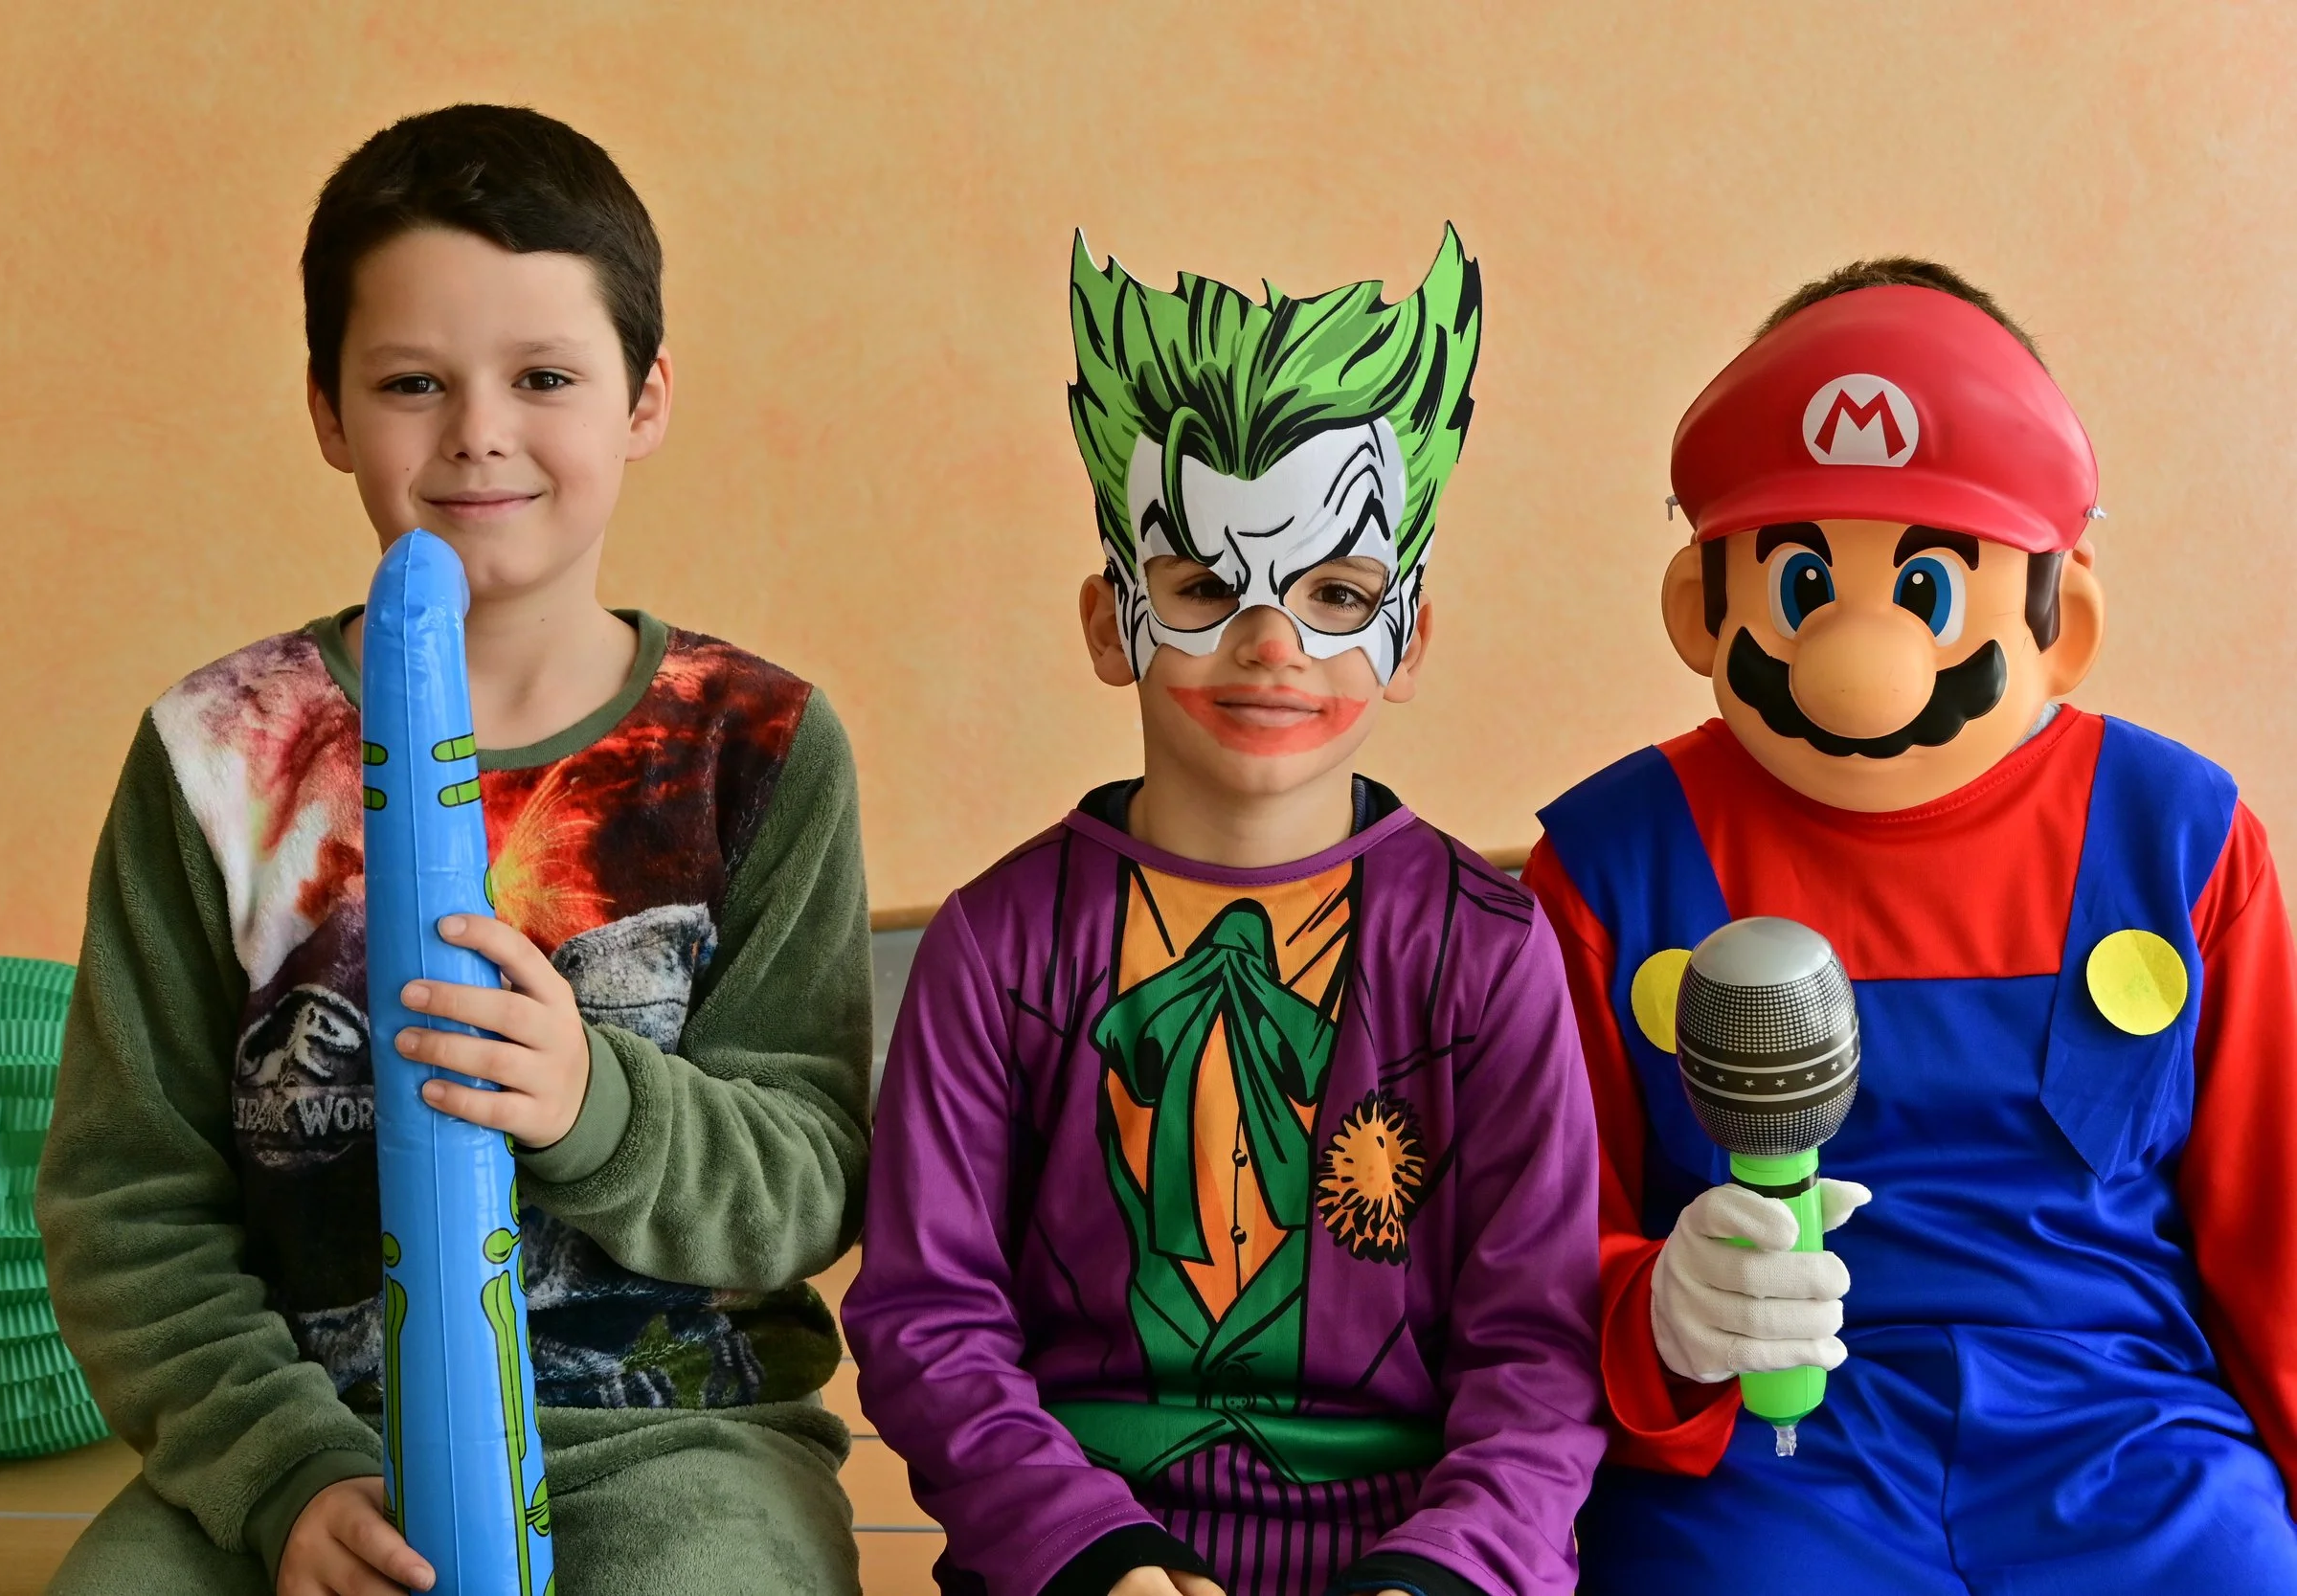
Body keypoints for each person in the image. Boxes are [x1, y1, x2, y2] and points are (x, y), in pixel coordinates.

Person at [34, 104, 871, 1596]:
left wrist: (592, 1101)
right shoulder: (216, 754)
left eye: (543, 376)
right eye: (413, 381)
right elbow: (128, 1204)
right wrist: (285, 1476)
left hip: (674, 1433)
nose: (479, 430)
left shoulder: (758, 746)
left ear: (644, 397)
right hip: (310, 1438)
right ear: (328, 410)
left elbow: (808, 1174)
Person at [843, 230, 1603, 1596]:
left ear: (1410, 637)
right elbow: (928, 1318)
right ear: (1109, 622)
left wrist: (1437, 1570)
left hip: (1419, 1554)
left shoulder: (1486, 952)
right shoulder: (995, 947)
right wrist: (1094, 1556)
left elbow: (1540, 1352)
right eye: (1204, 587)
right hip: (1077, 1553)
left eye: (1337, 595)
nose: (1272, 643)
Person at [1524, 259, 2297, 1593]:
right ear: (1702, 604)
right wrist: (1653, 1315)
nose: (1860, 657)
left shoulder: (2182, 842)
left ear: (2062, 616)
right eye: (1804, 579)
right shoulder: (1606, 866)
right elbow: (1526, 1260)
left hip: (2130, 1438)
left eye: (1927, 584)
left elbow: (2275, 1236)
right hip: (1765, 1461)